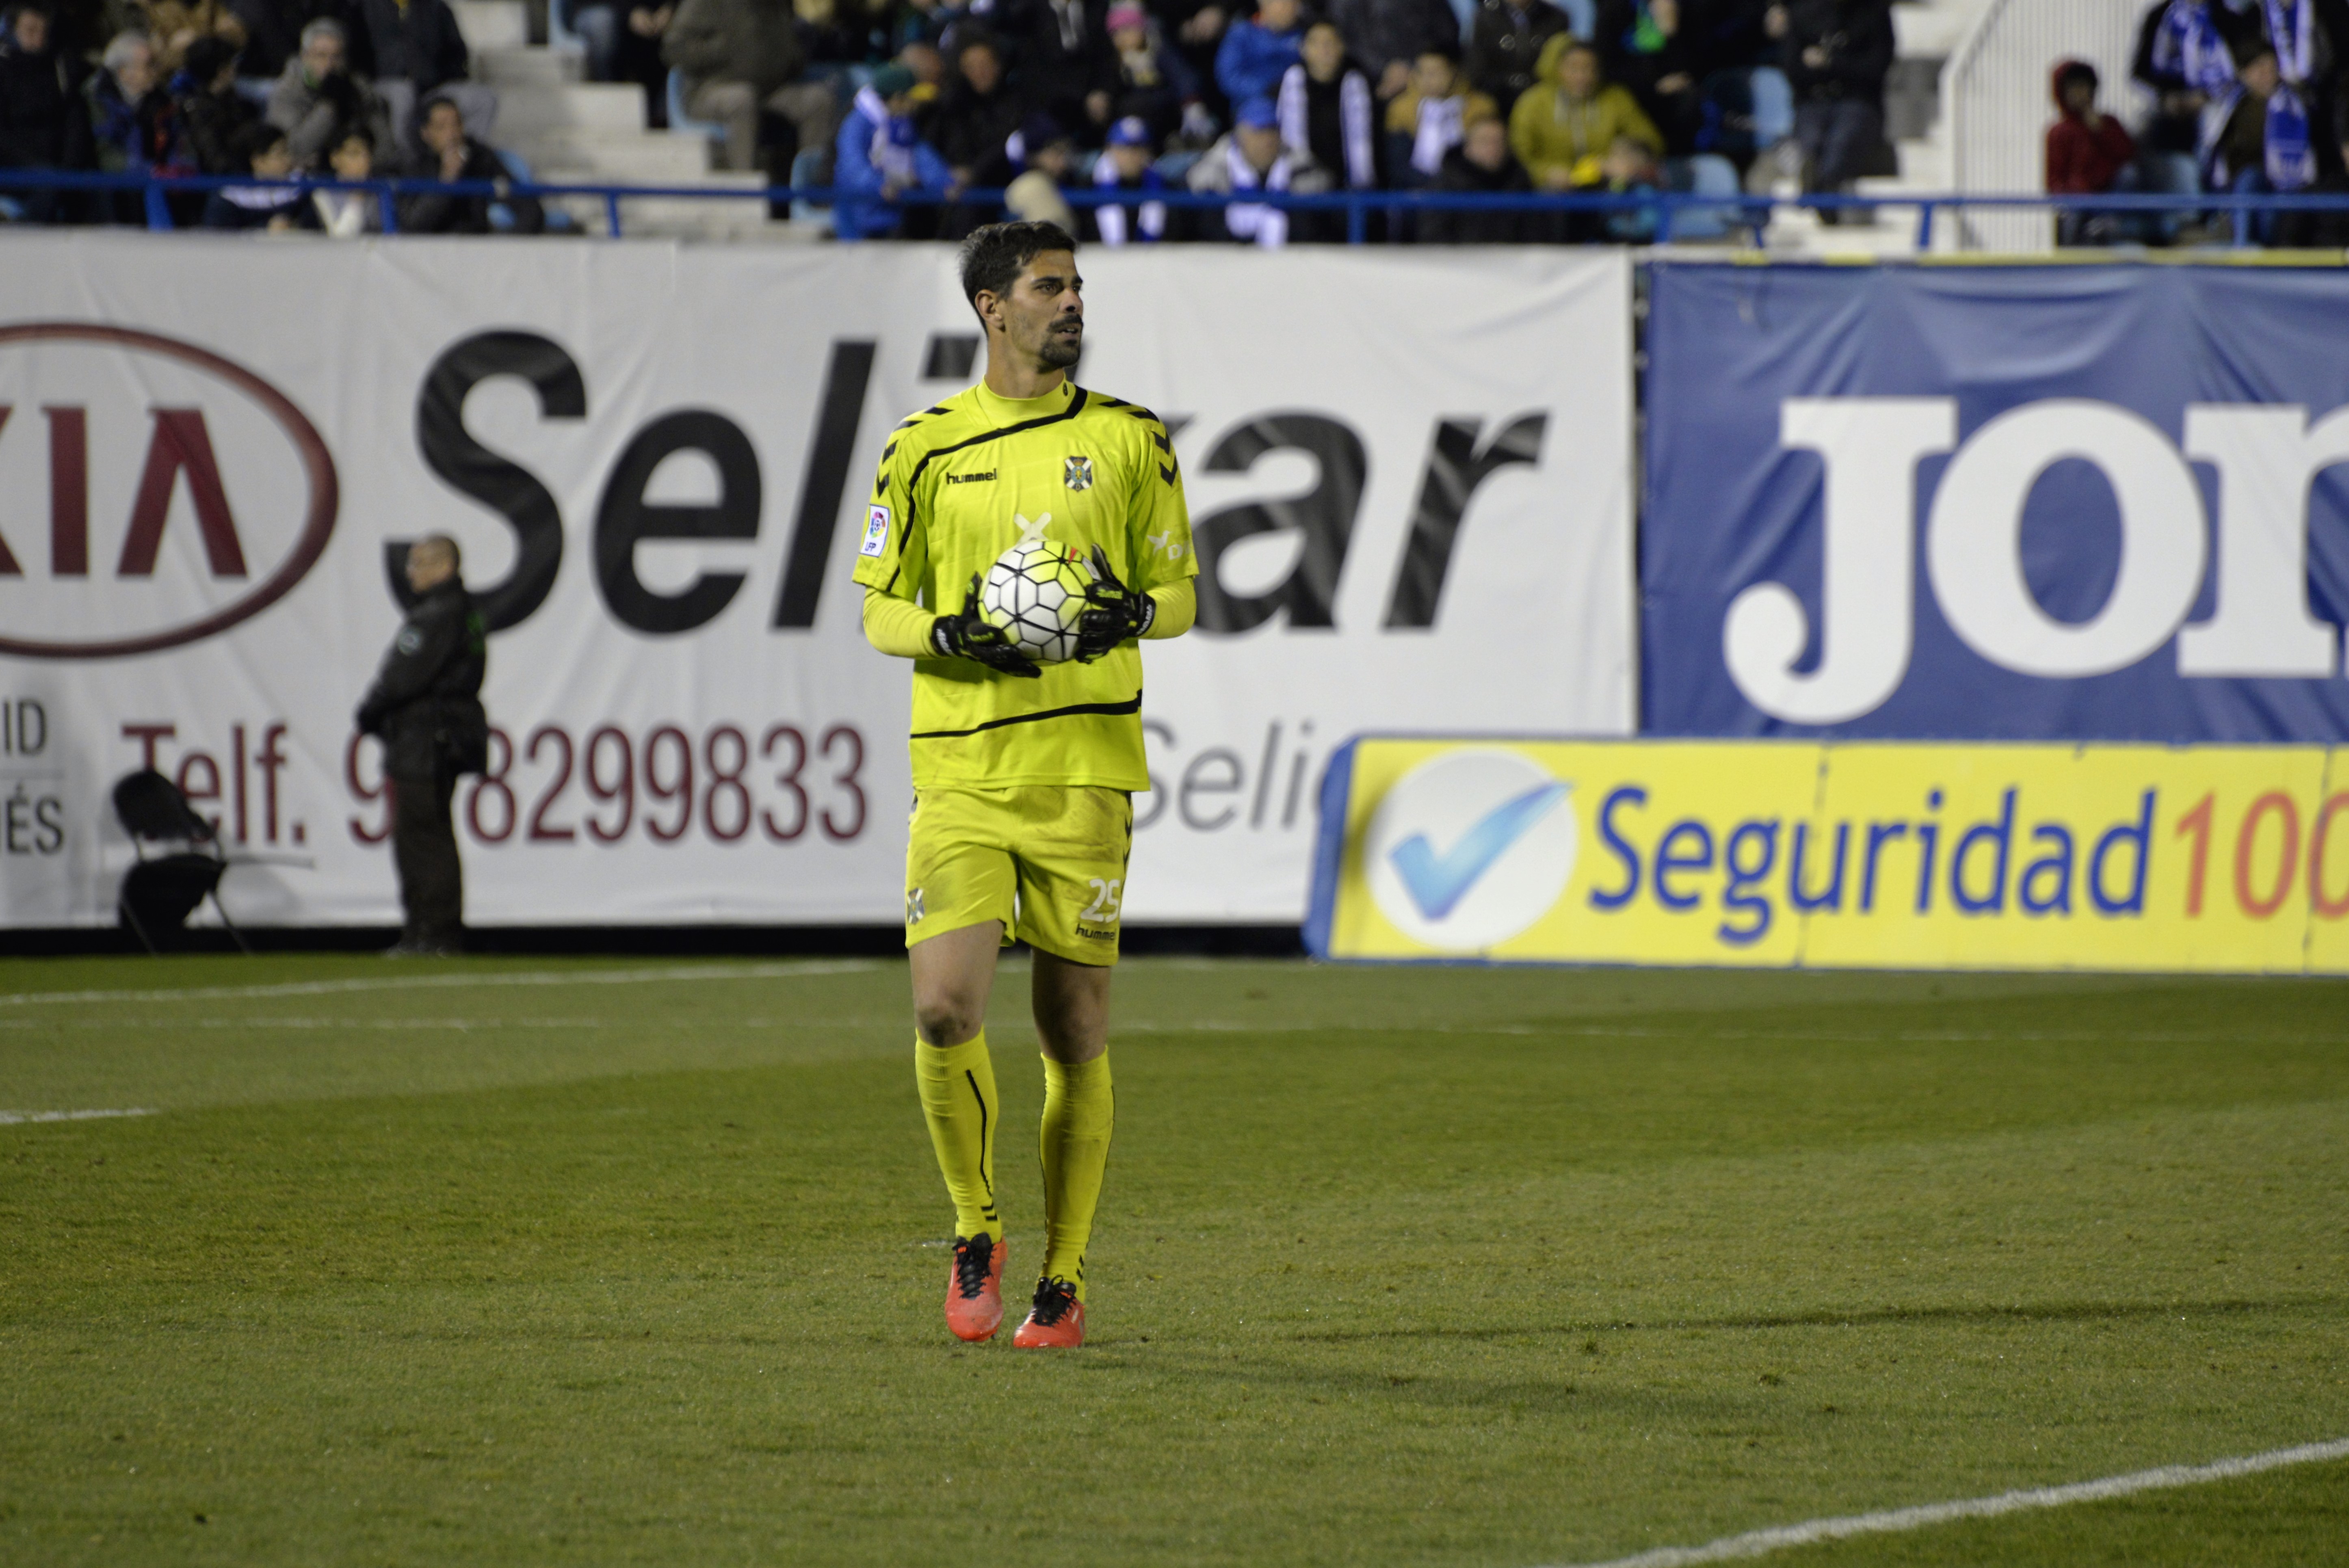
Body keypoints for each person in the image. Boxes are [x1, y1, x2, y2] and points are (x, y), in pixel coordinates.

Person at [853, 221, 1195, 1350]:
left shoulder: (1132, 437)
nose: (1072, 303)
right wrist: (949, 630)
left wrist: (1131, 612)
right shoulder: (921, 447)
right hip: (961, 765)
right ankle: (974, 1225)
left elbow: (1179, 594)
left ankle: (1063, 1272)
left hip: (1084, 769)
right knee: (943, 1006)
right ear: (991, 307)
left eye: (1078, 285)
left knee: (1073, 1026)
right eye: (1050, 287)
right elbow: (878, 606)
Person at [357, 533, 487, 959]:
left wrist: (369, 712)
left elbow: (401, 677)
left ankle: (432, 933)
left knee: (422, 840)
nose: (410, 573)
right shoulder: (464, 612)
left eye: (418, 564)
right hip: (442, 737)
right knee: (431, 836)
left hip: (424, 741)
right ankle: (429, 932)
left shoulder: (435, 615)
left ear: (444, 566)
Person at [664, 0, 836, 174]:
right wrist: (722, 49)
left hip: (769, 90)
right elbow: (674, 47)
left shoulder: (776, 5)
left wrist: (791, 56)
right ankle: (744, 185)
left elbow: (790, 48)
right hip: (709, 89)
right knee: (742, 99)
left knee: (818, 100)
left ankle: (811, 182)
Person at [1767, 0, 1890, 219]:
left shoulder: (1874, 13)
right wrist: (1826, 69)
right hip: (1813, 101)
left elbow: (1875, 68)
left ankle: (1821, 194)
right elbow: (1793, 69)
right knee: (1810, 142)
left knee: (1841, 142)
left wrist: (1830, 63)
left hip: (1859, 102)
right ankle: (1819, 192)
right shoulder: (1804, 14)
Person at [1509, 35, 1661, 192]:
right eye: (1573, 69)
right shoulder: (1533, 103)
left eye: (1590, 69)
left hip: (1607, 184)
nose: (1582, 77)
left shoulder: (1616, 99)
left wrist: (1627, 159)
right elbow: (1519, 154)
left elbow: (1650, 142)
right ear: (1558, 69)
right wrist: (1545, 173)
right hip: (1550, 189)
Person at [1187, 89, 1331, 242]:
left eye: (1272, 131)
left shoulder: (1303, 168)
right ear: (1240, 136)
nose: (1267, 141)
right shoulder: (1213, 172)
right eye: (1259, 132)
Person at [834, 60, 950, 238]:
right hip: (858, 221)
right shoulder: (857, 124)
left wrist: (945, 181)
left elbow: (919, 155)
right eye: (911, 99)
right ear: (897, 98)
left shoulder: (901, 122)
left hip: (893, 218)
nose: (916, 105)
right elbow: (852, 167)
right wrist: (880, 185)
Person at [398, 92, 543, 232]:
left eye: (457, 124)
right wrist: (446, 182)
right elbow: (412, 226)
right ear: (426, 133)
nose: (452, 133)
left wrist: (507, 245)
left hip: (475, 243)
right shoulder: (411, 164)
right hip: (430, 246)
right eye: (442, 127)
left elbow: (529, 208)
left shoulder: (480, 157)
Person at [0, 1, 88, 223]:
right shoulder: (4, 72)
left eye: (43, 31)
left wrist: (68, 167)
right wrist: (35, 167)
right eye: (30, 30)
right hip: (15, 170)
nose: (39, 38)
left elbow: (74, 124)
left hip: (59, 169)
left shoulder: (61, 71)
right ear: (13, 31)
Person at [266, 18, 393, 170]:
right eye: (321, 56)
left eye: (337, 57)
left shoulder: (359, 89)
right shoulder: (288, 91)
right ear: (305, 57)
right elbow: (293, 149)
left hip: (355, 176)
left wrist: (359, 165)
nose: (329, 64)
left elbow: (385, 147)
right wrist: (329, 107)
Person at [1280, 18, 1377, 190]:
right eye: (1316, 43)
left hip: (1350, 190)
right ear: (1304, 49)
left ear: (1342, 47)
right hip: (1302, 191)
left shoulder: (1362, 86)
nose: (1324, 50)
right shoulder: (1286, 87)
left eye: (1330, 43)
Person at [1382, 44, 1494, 184]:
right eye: (1422, 73)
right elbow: (1398, 162)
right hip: (1415, 189)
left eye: (1436, 73)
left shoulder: (1480, 107)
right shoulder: (1401, 109)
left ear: (1453, 72)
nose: (1428, 80)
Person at [1420, 108, 1534, 240]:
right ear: (1468, 147)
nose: (1493, 149)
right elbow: (1434, 236)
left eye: (1499, 142)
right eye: (1485, 141)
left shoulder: (1519, 182)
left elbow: (1533, 232)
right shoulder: (1445, 186)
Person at [1465, 0, 1571, 109]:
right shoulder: (1485, 16)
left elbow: (1559, 68)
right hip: (1496, 102)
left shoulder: (1556, 18)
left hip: (1542, 102)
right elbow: (1477, 70)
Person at [201, 116, 306, 225]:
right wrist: (267, 229)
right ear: (258, 161)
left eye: (288, 152)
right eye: (281, 154)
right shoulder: (225, 201)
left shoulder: (301, 190)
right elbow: (217, 234)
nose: (289, 160)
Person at [177, 33, 255, 173]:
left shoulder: (240, 104)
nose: (236, 69)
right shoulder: (196, 110)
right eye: (232, 64)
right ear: (222, 71)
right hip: (220, 181)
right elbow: (213, 159)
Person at [1091, 111, 1171, 241]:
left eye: (1138, 148)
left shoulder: (1164, 186)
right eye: (1124, 148)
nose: (1131, 156)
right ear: (1110, 150)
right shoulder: (1089, 187)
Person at [1215, 0, 1303, 106]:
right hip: (1255, 103)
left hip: (1297, 100)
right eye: (1284, 4)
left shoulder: (1303, 35)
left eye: (1294, 4)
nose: (1291, 10)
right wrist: (1268, 89)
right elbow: (1229, 78)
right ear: (1265, 5)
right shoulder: (1241, 34)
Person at [310, 121, 381, 232]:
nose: (364, 161)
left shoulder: (381, 190)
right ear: (335, 159)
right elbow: (340, 236)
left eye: (367, 154)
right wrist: (357, 199)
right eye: (354, 153)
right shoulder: (322, 194)